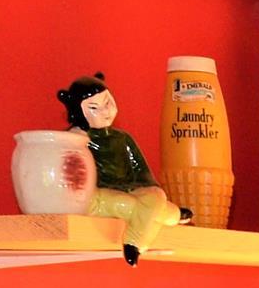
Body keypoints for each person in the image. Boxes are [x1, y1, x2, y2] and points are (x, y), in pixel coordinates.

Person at [57, 73, 189, 264]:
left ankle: (137, 237)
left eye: (108, 103)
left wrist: (149, 188)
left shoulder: (122, 138)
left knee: (155, 197)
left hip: (130, 191)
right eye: (94, 108)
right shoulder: (76, 140)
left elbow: (140, 169)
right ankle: (168, 218)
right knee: (135, 207)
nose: (105, 111)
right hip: (99, 196)